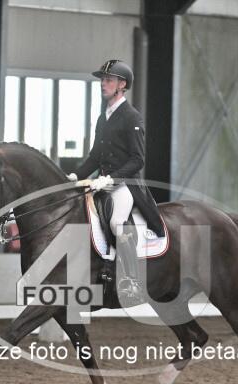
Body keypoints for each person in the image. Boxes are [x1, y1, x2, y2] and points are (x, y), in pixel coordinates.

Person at [67, 59, 165, 300]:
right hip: (102, 183)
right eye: (102, 80)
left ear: (122, 85)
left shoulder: (132, 117)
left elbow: (137, 160)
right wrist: (75, 176)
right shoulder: (103, 118)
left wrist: (111, 179)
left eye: (108, 80)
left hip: (125, 185)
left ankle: (132, 279)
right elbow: (94, 157)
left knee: (117, 222)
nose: (103, 84)